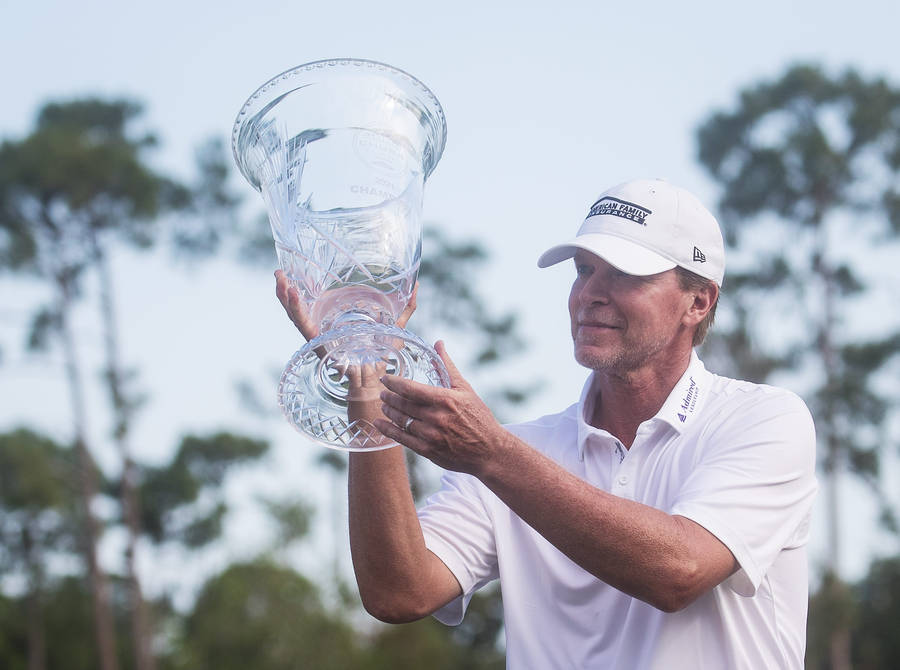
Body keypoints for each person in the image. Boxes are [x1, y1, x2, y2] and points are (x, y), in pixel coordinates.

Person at [275, 177, 818, 669]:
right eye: (583, 271)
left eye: (625, 275)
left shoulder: (765, 420)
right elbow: (399, 592)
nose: (588, 294)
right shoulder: (508, 449)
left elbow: (678, 571)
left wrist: (490, 454)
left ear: (698, 302)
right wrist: (367, 384)